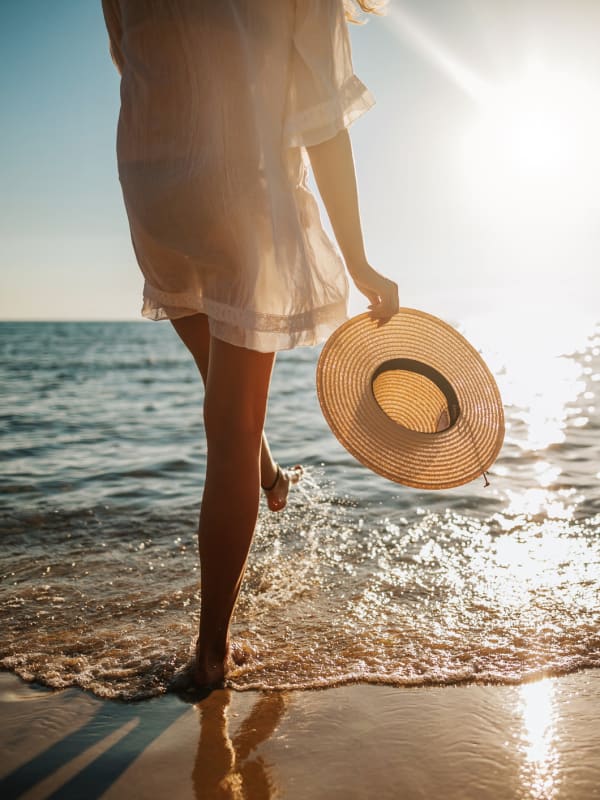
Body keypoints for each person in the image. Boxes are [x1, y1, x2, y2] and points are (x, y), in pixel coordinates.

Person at [102, 0, 399, 688]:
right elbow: (323, 119)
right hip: (239, 187)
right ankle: (212, 653)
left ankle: (263, 466)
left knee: (216, 373)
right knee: (230, 428)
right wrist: (357, 259)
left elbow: (131, 56)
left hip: (151, 179)